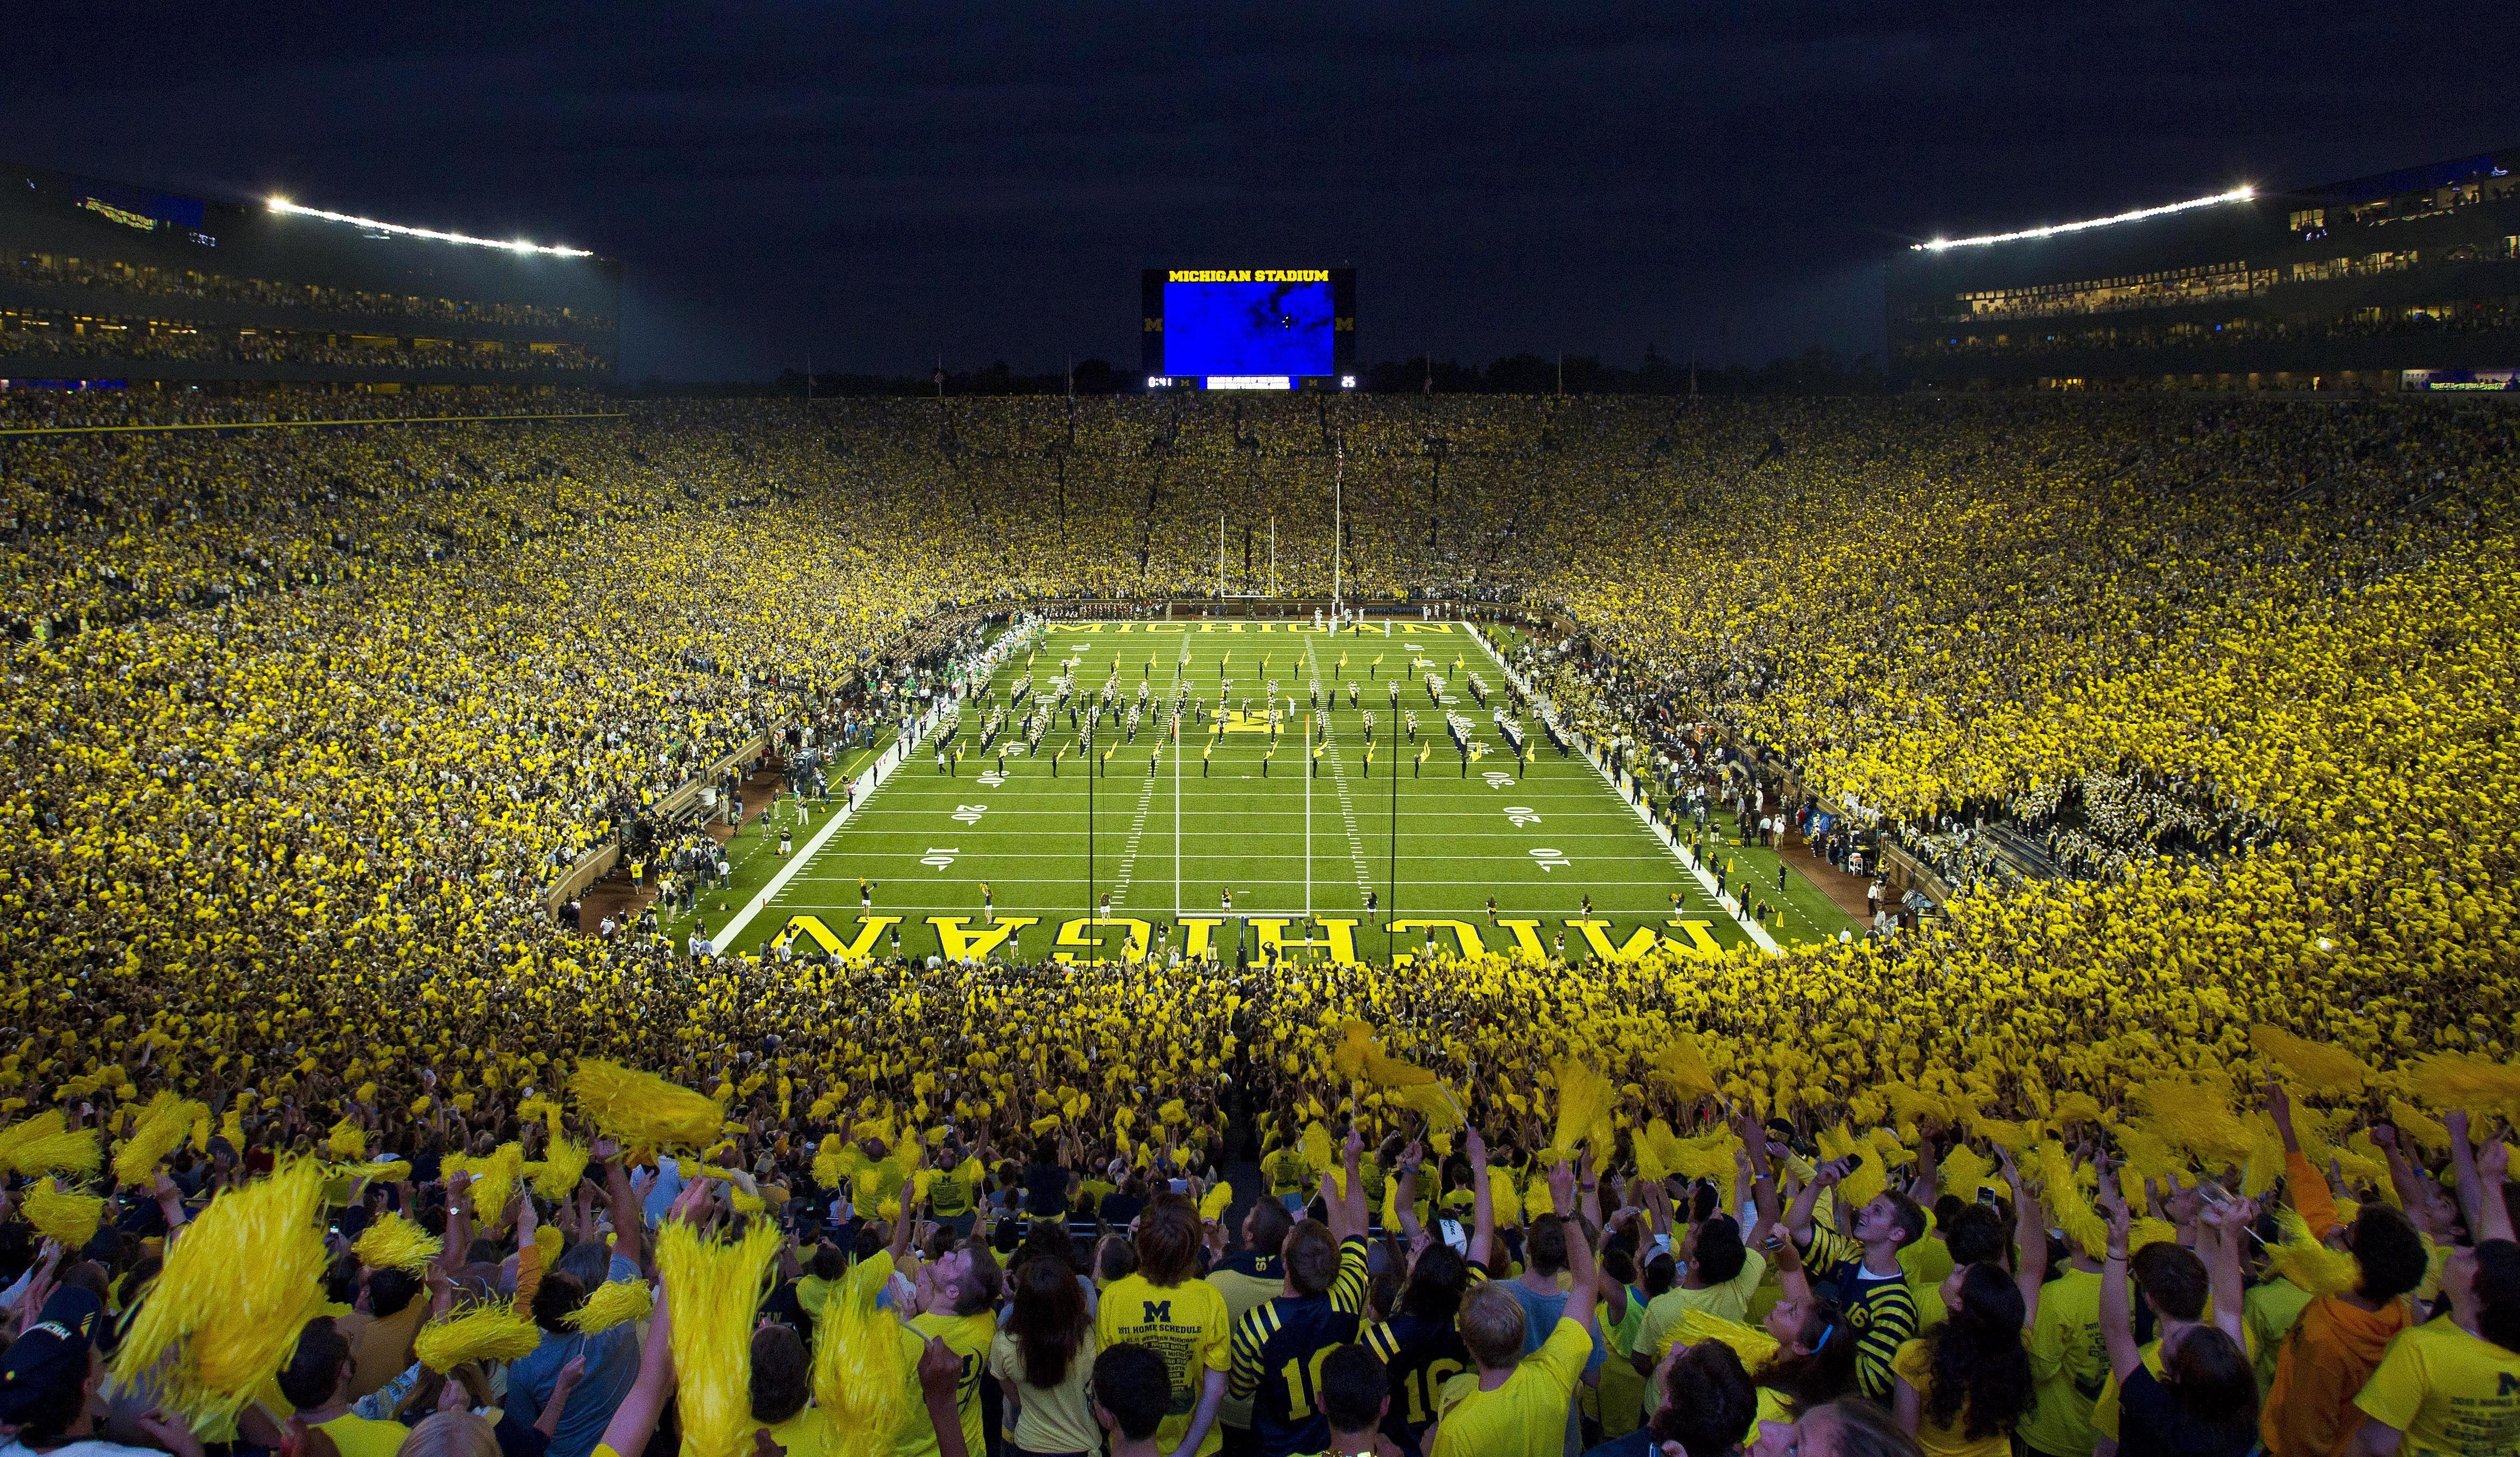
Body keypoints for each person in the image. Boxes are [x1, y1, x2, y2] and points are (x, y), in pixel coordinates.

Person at [2258, 1084, 2430, 1457]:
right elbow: (2319, 1210)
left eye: (2346, 1234)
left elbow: (2306, 1439)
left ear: (2360, 1268)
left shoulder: (2327, 1342)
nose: (2334, 1231)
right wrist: (2286, 1128)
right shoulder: (2395, 1309)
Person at [2351, 1131, 2520, 1457]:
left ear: (2477, 1296)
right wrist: (2490, 1181)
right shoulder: (2507, 1322)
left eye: (2472, 1257)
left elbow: (2373, 1447)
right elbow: (2501, 1257)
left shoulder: (2420, 1351)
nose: (2461, 1253)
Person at [1422, 1160, 1594, 1457]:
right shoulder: (1554, 1376)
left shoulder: (1457, 1431)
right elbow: (1585, 1286)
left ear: (1468, 1345)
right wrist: (1565, 1210)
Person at [1229, 1132, 1373, 1457]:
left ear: (1284, 1263)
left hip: (1275, 1448)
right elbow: (1357, 1232)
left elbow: (1240, 1389)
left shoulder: (1257, 1325)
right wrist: (1350, 1166)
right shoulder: (1348, 1295)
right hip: (1328, 1444)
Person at [2096, 1171, 2258, 1457]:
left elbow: (2115, 1330)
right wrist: (2229, 1236)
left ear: (2180, 1378)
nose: (2169, 1343)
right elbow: (2228, 1309)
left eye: (2178, 1343)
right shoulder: (2237, 1407)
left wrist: (2116, 1250)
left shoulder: (2161, 1418)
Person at [1097, 1194, 1233, 1457]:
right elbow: (1216, 1389)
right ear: (1194, 1247)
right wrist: (1185, 1452)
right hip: (1199, 1447)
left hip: (1130, 1447)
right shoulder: (1210, 1298)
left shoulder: (1113, 1297)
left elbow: (1107, 1384)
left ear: (1141, 1243)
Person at [992, 1252, 1100, 1457]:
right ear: (1072, 1297)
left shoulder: (1004, 1342)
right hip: (1082, 1445)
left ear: (1023, 1301)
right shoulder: (1091, 1337)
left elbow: (1015, 1400)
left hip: (1029, 1444)